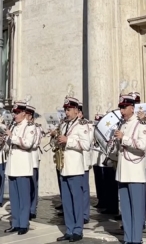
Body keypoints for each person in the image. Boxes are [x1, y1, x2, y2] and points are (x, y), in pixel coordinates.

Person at [115, 93, 146, 244]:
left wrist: (124, 138)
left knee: (136, 208)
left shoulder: (141, 123)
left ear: (131, 107)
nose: (121, 111)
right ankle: (128, 238)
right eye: (120, 108)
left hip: (135, 171)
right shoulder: (123, 124)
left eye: (123, 108)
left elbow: (143, 145)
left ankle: (136, 239)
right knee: (126, 208)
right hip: (123, 171)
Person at [56, 96, 90, 243]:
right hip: (64, 167)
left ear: (77, 110)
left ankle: (78, 230)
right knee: (67, 201)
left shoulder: (82, 125)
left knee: (76, 200)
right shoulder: (64, 125)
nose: (67, 112)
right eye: (65, 110)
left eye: (69, 109)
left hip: (75, 168)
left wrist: (67, 141)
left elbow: (86, 144)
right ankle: (69, 229)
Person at [4, 101, 36, 235]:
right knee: (14, 198)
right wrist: (5, 140)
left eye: (17, 113)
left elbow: (28, 144)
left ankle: (24, 223)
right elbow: (8, 147)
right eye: (14, 113)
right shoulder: (15, 126)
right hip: (13, 166)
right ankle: (16, 222)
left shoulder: (30, 127)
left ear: (23, 113)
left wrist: (12, 137)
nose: (14, 115)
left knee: (23, 197)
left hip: (23, 166)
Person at [26, 104, 41, 220]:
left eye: (26, 114)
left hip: (32, 159)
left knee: (32, 185)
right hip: (23, 160)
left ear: (30, 116)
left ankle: (32, 208)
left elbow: (35, 143)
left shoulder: (36, 127)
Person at [78, 102, 92, 224]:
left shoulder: (88, 125)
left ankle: (85, 213)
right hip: (73, 162)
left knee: (84, 188)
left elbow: (89, 140)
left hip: (83, 160)